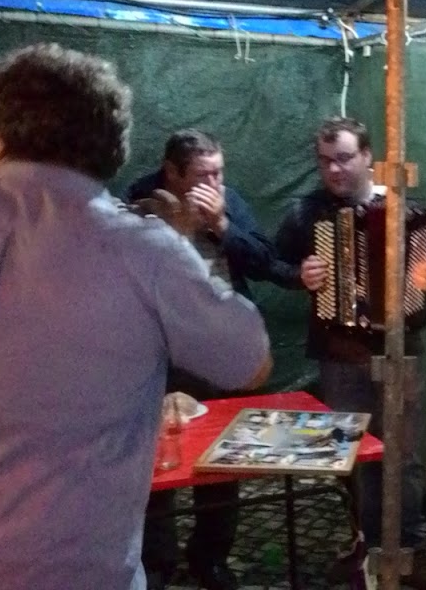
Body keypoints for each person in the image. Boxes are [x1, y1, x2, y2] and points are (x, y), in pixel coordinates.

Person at [0, 43, 272, 590]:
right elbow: (251, 361)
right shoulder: (141, 246)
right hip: (76, 571)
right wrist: (178, 242)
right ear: (112, 148)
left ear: (0, 136)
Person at [268, 116, 426, 588]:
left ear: (368, 156)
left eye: (344, 158)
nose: (334, 170)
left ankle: (407, 547)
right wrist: (299, 274)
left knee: (404, 456)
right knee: (352, 455)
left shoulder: (407, 211)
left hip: (403, 351)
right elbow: (275, 261)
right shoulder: (307, 214)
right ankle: (364, 544)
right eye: (325, 161)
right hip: (340, 354)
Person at [127, 129, 278, 590]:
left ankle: (210, 556)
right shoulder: (139, 199)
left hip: (217, 343)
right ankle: (157, 562)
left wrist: (223, 226)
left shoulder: (229, 200)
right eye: (202, 175)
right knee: (159, 457)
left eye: (219, 173)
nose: (214, 183)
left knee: (224, 456)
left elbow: (264, 261)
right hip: (159, 349)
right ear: (172, 172)